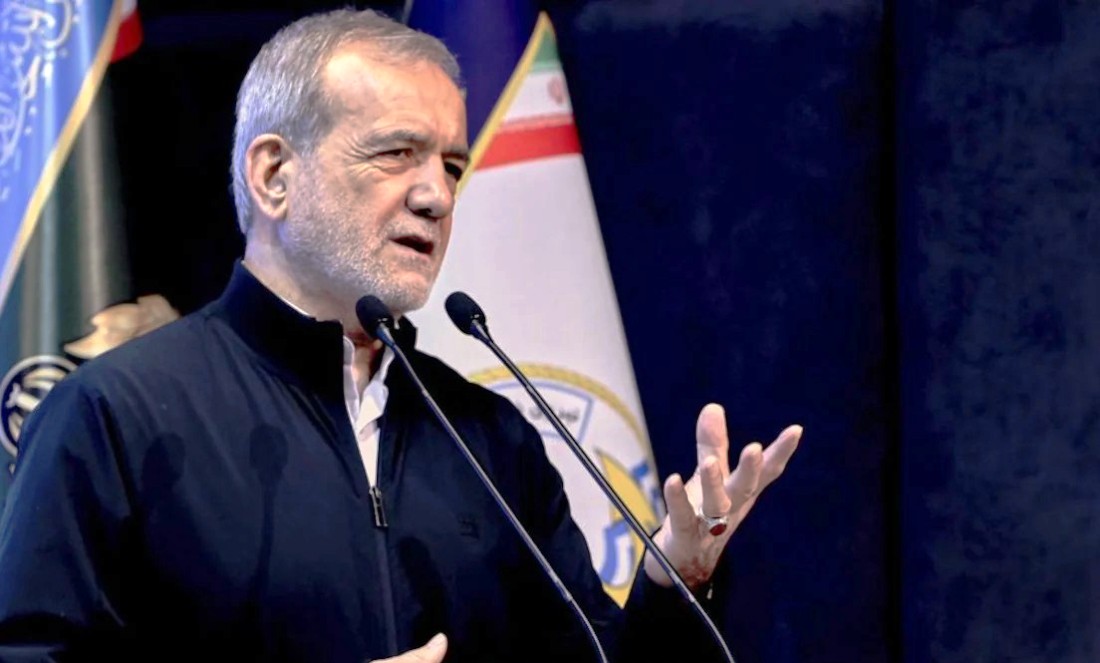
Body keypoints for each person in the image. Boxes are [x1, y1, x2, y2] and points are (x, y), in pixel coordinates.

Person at [0, 9, 801, 662]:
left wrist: (672, 585)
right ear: (273, 175)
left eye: (451, 165)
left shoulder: (490, 440)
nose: (438, 197)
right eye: (397, 153)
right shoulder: (114, 416)